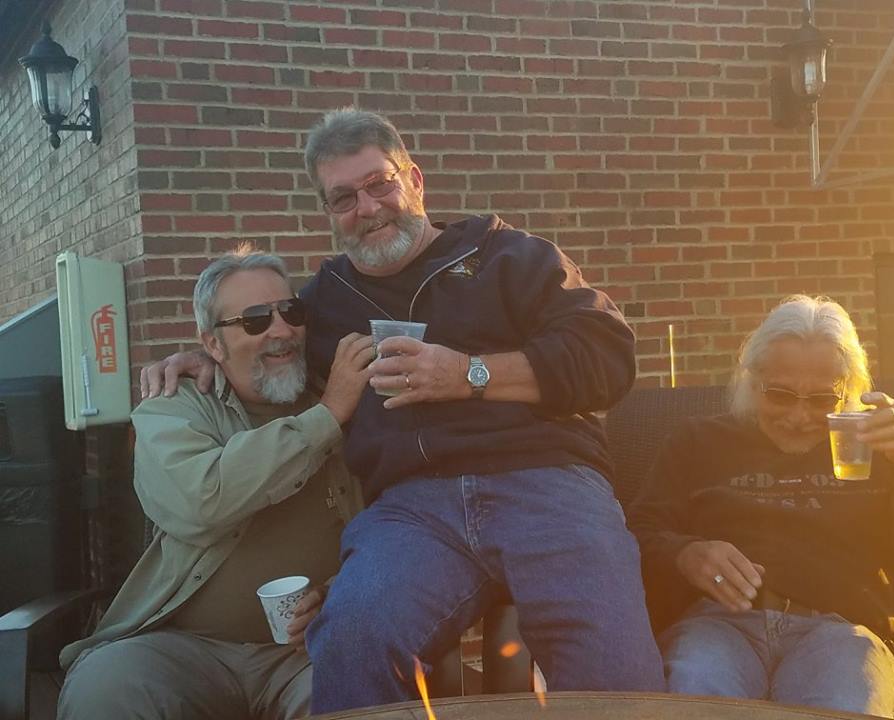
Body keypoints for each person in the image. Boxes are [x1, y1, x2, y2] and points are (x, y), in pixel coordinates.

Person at [141, 107, 665, 712]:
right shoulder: (324, 301)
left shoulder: (509, 256)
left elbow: (608, 357)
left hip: (546, 482)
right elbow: (269, 343)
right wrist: (205, 355)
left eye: (379, 183)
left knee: (609, 659)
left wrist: (468, 373)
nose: (366, 208)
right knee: (350, 636)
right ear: (328, 212)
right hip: (412, 512)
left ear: (414, 179)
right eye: (343, 198)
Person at [58, 247, 373, 720]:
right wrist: (326, 417)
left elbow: (384, 523)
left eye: (290, 312)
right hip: (184, 648)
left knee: (356, 691)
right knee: (104, 689)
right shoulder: (172, 406)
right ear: (213, 344)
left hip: (306, 651)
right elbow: (200, 500)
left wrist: (333, 591)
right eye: (255, 320)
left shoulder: (345, 398)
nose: (281, 330)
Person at [628, 294, 894, 719]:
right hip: (719, 627)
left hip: (841, 634)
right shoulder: (697, 444)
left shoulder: (879, 450)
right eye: (781, 395)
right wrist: (684, 554)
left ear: (848, 391)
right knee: (695, 697)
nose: (800, 416)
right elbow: (637, 536)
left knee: (846, 706)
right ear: (752, 382)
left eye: (822, 400)